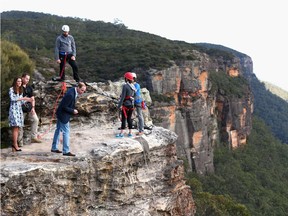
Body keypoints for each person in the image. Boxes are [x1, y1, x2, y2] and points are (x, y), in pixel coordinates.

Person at [51, 82, 86, 156]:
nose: (83, 92)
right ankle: (66, 151)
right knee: (66, 131)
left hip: (60, 113)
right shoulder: (70, 94)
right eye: (82, 90)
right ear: (78, 88)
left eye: (84, 91)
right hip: (63, 114)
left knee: (58, 130)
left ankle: (54, 147)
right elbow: (64, 107)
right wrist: (73, 110)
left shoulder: (73, 90)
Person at [8, 77, 33, 152]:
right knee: (15, 128)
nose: (19, 82)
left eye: (20, 82)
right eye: (18, 81)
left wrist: (27, 100)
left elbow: (21, 102)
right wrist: (23, 98)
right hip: (13, 110)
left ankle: (14, 144)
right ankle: (15, 145)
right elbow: (12, 99)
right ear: (15, 81)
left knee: (17, 128)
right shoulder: (11, 89)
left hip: (19, 110)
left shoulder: (20, 90)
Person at [18, 73, 42, 146]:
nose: (27, 80)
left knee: (36, 120)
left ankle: (33, 137)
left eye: (28, 79)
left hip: (29, 107)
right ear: (22, 78)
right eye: (26, 78)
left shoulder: (29, 87)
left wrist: (33, 108)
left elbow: (33, 98)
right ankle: (20, 141)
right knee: (20, 124)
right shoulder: (18, 86)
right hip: (20, 108)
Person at [116, 72, 136, 138]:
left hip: (125, 105)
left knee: (124, 119)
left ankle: (121, 133)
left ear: (126, 78)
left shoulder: (125, 86)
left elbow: (123, 97)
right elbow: (133, 96)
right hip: (131, 105)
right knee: (129, 119)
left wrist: (119, 106)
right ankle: (130, 133)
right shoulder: (133, 86)